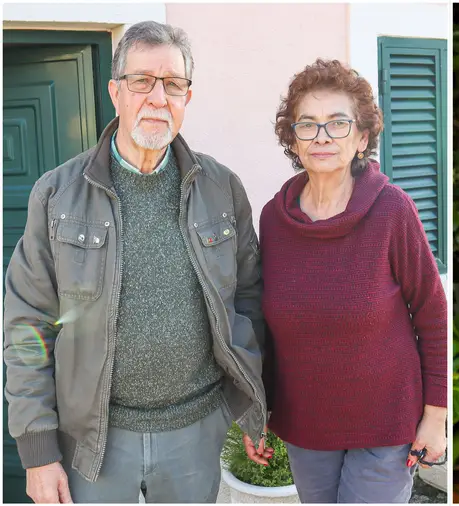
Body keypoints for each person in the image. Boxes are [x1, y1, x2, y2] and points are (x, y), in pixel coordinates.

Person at [3, 21, 267, 503]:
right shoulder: (56, 194)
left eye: (173, 84)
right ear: (115, 92)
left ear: (188, 96)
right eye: (142, 81)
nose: (158, 97)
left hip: (197, 431)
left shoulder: (222, 188)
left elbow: (249, 300)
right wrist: (39, 451)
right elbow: (27, 326)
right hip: (94, 443)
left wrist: (248, 403)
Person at [246, 59, 448, 504]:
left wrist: (436, 417)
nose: (322, 137)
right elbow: (263, 323)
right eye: (308, 125)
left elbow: (433, 314)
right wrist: (257, 410)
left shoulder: (392, 211)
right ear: (292, 139)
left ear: (361, 138)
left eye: (338, 124)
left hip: (385, 422)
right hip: (307, 423)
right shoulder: (274, 220)